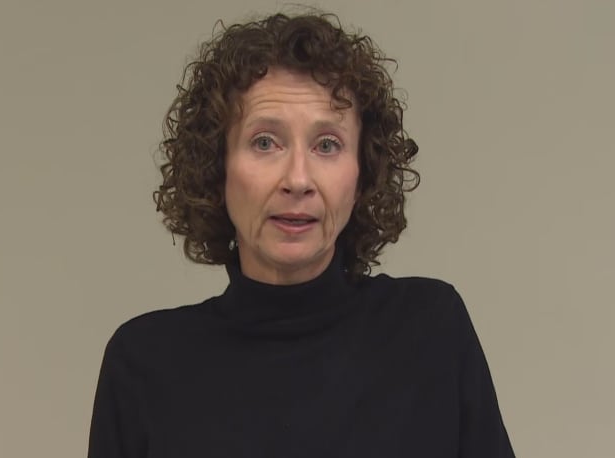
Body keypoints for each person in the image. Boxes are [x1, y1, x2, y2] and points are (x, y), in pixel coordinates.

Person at [88, 11, 515, 458]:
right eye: (265, 142)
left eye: (326, 144)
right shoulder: (144, 364)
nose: (298, 179)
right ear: (217, 167)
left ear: (362, 172)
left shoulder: (430, 331)